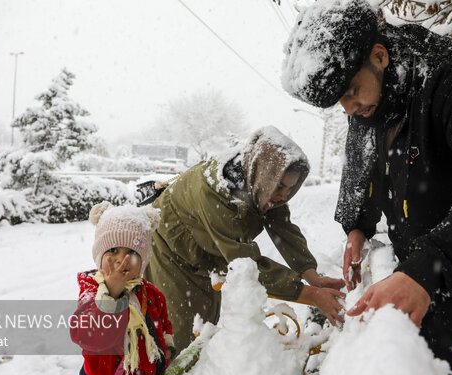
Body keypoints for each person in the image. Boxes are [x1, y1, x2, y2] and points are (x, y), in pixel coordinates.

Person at [282, 0, 452, 375]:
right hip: (419, 266)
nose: (350, 109)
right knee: (420, 373)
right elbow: (361, 157)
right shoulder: (373, 93)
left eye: (351, 94)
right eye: (340, 103)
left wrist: (429, 267)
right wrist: (356, 227)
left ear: (379, 55)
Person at [144, 125, 346, 352]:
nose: (284, 196)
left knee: (205, 324)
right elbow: (246, 263)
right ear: (266, 176)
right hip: (171, 252)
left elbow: (283, 228)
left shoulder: (259, 182)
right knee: (179, 331)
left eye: (290, 188)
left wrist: (311, 275)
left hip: (204, 253)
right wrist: (311, 294)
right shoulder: (217, 195)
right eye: (279, 187)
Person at [69, 202, 174, 375]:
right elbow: (87, 336)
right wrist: (111, 296)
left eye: (132, 252)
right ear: (100, 254)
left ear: (143, 260)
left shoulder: (151, 295)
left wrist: (167, 350)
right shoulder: (92, 292)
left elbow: (163, 325)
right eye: (113, 250)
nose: (121, 260)